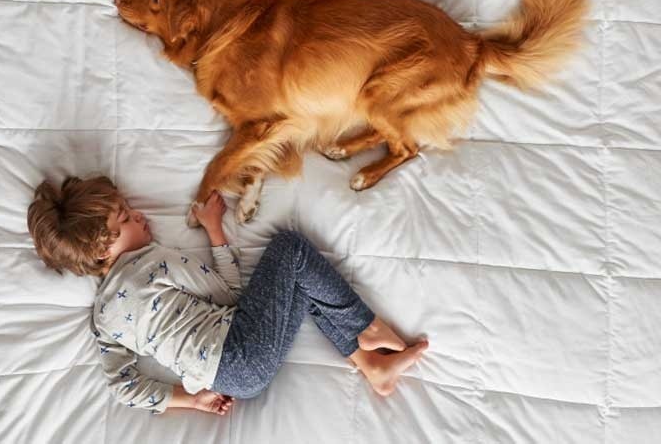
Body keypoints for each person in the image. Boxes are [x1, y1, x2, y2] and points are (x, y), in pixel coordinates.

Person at [27, 175, 428, 415]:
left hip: (233, 380)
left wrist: (189, 400)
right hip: (239, 348)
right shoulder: (151, 263)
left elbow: (122, 386)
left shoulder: (102, 319)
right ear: (101, 249)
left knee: (300, 286)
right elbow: (232, 294)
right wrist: (214, 229)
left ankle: (371, 366)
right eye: (126, 217)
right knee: (290, 249)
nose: (140, 216)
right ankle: (367, 325)